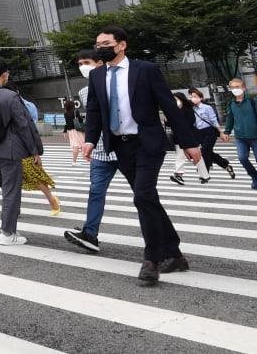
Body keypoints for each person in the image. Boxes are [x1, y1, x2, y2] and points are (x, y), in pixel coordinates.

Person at [81, 25, 199, 286]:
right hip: (120, 146)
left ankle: (152, 260)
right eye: (98, 44)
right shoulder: (98, 75)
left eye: (106, 43)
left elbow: (169, 106)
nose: (100, 47)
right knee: (148, 200)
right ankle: (175, 254)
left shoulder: (145, 70)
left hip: (148, 143)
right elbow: (95, 111)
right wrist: (90, 139)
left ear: (122, 44)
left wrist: (190, 143)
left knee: (143, 196)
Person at [0, 59, 42, 245]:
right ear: (5, 73)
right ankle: (7, 233)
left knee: (8, 188)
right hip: (10, 149)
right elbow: (23, 125)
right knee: (11, 190)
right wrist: (34, 151)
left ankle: (10, 227)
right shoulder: (9, 96)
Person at [65, 50, 118, 253]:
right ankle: (90, 234)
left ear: (100, 63)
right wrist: (90, 142)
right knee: (96, 192)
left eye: (86, 62)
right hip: (100, 151)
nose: (82, 67)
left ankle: (162, 239)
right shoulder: (85, 92)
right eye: (79, 63)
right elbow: (95, 120)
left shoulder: (118, 84)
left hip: (124, 148)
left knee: (143, 195)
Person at [7, 83, 60, 216]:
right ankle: (16, 208)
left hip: (25, 146)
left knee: (34, 175)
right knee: (15, 179)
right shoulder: (10, 104)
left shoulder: (26, 105)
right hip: (12, 146)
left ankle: (52, 201)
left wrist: (34, 150)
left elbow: (31, 128)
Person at [189, 88, 234, 178]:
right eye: (191, 97)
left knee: (205, 151)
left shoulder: (207, 107)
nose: (193, 98)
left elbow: (213, 120)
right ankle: (226, 165)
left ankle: (205, 173)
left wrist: (220, 132)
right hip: (199, 133)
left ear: (200, 98)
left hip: (209, 132)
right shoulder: (192, 109)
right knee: (208, 152)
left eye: (195, 96)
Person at [168, 93, 211, 184]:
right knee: (182, 155)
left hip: (190, 136)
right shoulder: (173, 110)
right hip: (178, 137)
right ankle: (180, 174)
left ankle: (203, 175)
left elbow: (189, 122)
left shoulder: (187, 110)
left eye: (176, 99)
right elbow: (172, 123)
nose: (175, 102)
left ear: (181, 99)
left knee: (196, 156)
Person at [223, 78, 257, 189]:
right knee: (242, 158)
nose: (235, 89)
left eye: (237, 87)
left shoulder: (253, 101)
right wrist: (226, 132)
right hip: (240, 137)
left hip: (255, 136)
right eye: (232, 87)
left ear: (243, 87)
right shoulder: (231, 103)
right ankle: (254, 176)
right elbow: (230, 118)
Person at [63, 98, 85, 164]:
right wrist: (82, 118)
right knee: (79, 144)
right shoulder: (75, 112)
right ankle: (76, 161)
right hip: (77, 130)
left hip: (71, 131)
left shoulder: (65, 113)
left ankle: (76, 160)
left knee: (77, 145)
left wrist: (65, 132)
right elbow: (80, 120)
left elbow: (66, 123)